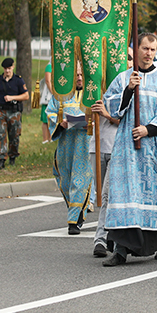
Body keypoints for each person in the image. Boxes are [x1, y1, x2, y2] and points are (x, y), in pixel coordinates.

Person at [101, 33, 157, 266]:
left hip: (153, 147)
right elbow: (110, 107)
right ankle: (121, 250)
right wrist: (127, 90)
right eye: (145, 48)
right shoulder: (124, 77)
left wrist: (148, 130)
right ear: (135, 50)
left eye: (153, 50)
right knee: (126, 195)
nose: (148, 53)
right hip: (127, 148)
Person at [46, 68, 92, 235]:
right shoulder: (61, 94)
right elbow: (51, 112)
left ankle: (74, 220)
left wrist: (89, 122)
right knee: (65, 181)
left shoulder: (92, 94)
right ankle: (78, 209)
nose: (79, 78)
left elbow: (98, 116)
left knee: (79, 181)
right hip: (66, 145)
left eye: (82, 75)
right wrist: (61, 123)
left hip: (85, 146)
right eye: (76, 75)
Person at [89, 69, 122, 257]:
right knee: (102, 196)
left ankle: (100, 238)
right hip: (96, 148)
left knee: (109, 195)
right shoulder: (94, 88)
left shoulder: (127, 88)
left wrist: (107, 115)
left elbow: (128, 121)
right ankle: (108, 234)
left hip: (116, 148)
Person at [0, 57, 29, 169]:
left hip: (14, 112)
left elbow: (26, 96)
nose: (7, 71)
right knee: (0, 135)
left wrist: (12, 97)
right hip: (1, 111)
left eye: (9, 68)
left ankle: (13, 156)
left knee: (14, 135)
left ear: (13, 67)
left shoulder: (18, 80)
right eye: (5, 69)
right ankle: (1, 159)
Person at [40, 61, 53, 143]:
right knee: (45, 119)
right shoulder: (49, 66)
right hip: (48, 96)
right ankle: (45, 139)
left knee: (52, 119)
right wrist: (53, 93)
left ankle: (51, 138)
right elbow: (48, 81)